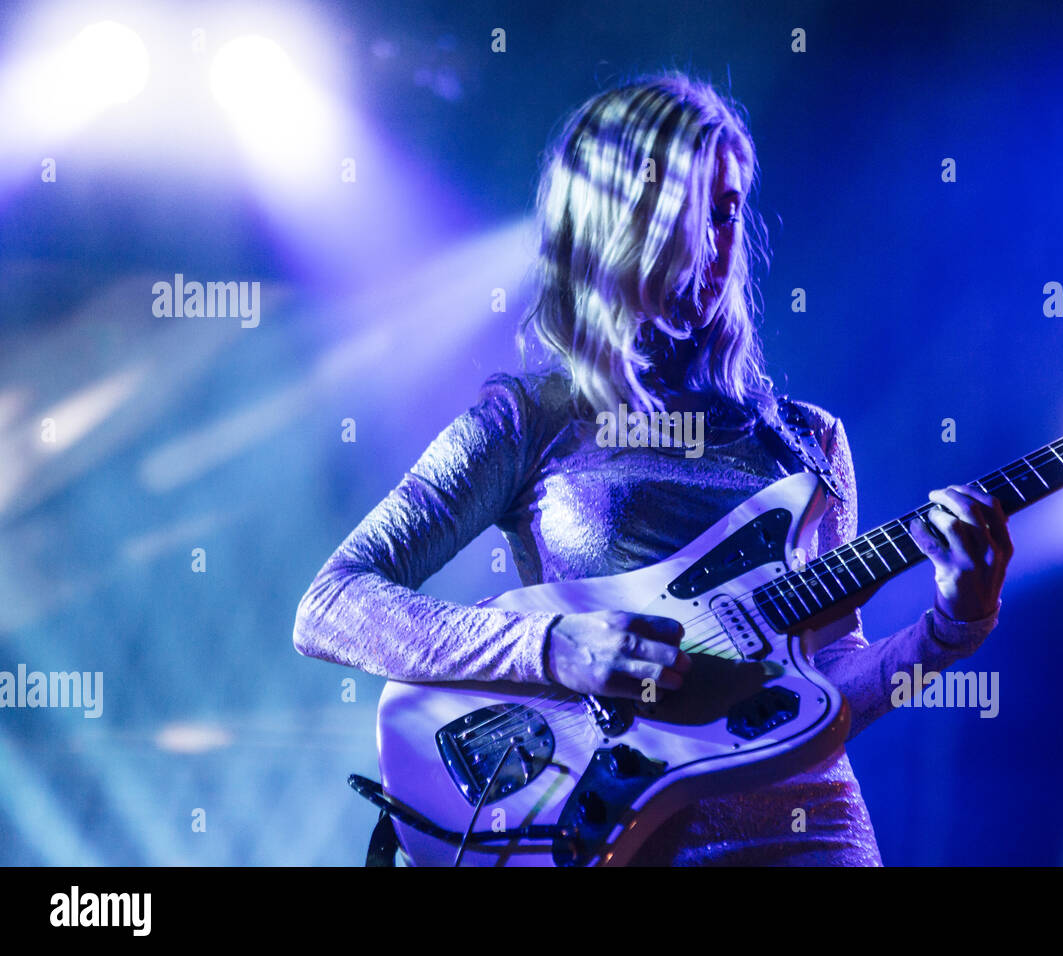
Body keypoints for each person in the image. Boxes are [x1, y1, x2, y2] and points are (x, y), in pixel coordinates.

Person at [292, 71, 1013, 866]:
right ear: (610, 220)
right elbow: (332, 603)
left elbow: (831, 678)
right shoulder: (528, 420)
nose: (714, 242)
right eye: (682, 211)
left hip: (815, 834)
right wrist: (552, 647)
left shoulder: (806, 441)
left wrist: (951, 628)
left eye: (728, 208)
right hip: (618, 835)